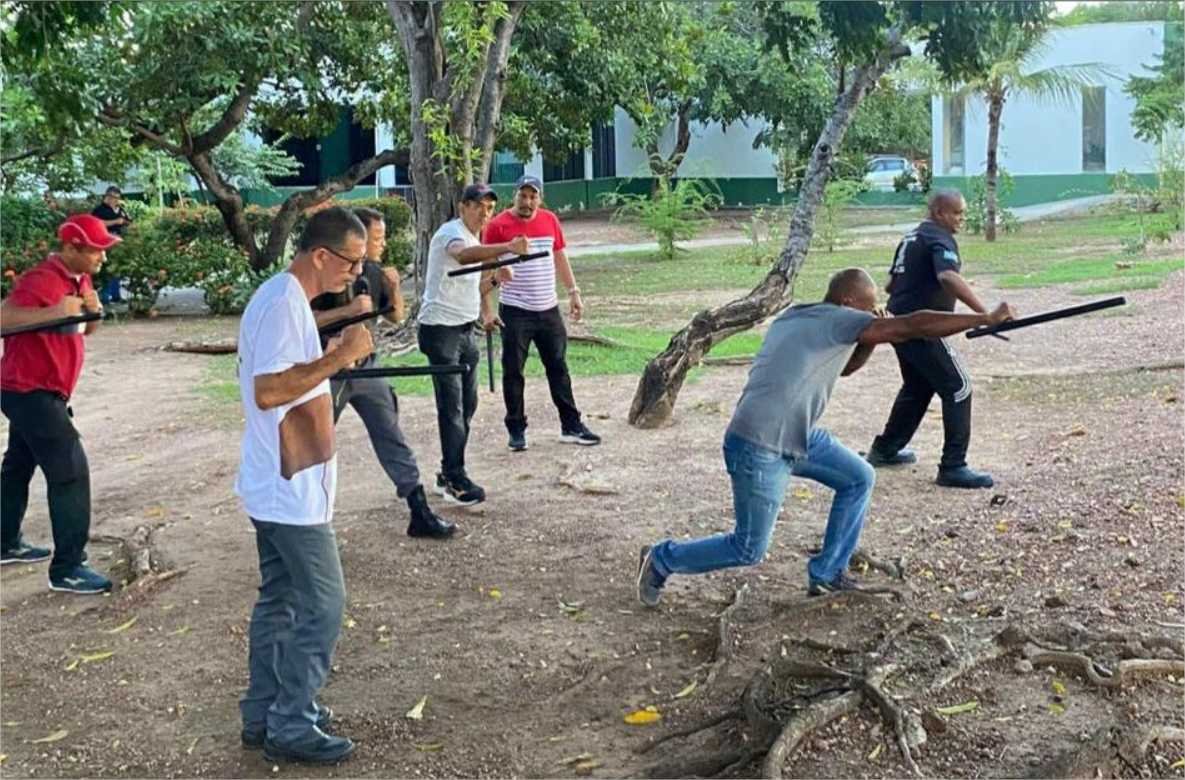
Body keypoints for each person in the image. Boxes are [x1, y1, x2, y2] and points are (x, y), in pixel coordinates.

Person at [635, 268, 1016, 606]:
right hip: (760, 444)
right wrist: (983, 317)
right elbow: (911, 325)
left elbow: (847, 368)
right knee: (748, 547)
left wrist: (869, 335)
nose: (872, 313)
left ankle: (826, 574)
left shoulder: (801, 316)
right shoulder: (836, 319)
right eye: (868, 308)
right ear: (848, 301)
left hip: (797, 434)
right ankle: (661, 558)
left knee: (859, 477)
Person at [235, 206, 375, 764]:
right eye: (351, 262)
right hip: (286, 488)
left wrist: (332, 339)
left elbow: (285, 364)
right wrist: (339, 357)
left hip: (282, 480)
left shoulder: (288, 301)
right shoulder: (279, 303)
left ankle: (264, 711)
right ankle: (291, 720)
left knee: (282, 598)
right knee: (323, 602)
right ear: (321, 255)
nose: (355, 274)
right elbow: (269, 390)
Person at [309, 207, 455, 539]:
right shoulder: (327, 275)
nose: (382, 244)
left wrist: (394, 288)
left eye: (383, 237)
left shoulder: (374, 272)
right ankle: (308, 523)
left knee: (391, 433)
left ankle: (418, 510)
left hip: (367, 367)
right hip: (327, 369)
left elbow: (395, 318)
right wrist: (346, 315)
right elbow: (305, 319)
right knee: (314, 442)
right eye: (377, 237)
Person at [0, 214, 115, 594]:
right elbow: (4, 318)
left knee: (18, 464)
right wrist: (56, 311)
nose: (102, 257)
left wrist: (91, 310)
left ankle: (5, 542)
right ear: (71, 248)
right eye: (96, 250)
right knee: (70, 468)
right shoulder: (40, 280)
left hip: (45, 390)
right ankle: (68, 568)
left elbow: (82, 328)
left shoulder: (79, 278)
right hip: (27, 389)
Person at [866, 190, 1003, 488]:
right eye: (957, 214)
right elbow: (948, 278)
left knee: (918, 385)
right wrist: (986, 313)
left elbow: (892, 283)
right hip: (922, 325)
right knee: (959, 386)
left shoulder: (912, 236)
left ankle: (885, 449)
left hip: (898, 322)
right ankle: (953, 465)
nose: (961, 220)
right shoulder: (939, 238)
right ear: (939, 212)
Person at [417, 183, 528, 507]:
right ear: (463, 206)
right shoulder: (451, 233)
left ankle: (448, 471)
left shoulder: (474, 238)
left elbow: (471, 285)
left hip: (466, 331)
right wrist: (507, 246)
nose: (485, 213)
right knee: (452, 407)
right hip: (440, 331)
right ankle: (455, 476)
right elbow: (463, 257)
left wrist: (495, 281)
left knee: (468, 404)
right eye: (479, 206)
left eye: (490, 208)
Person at [482, 174, 601, 451]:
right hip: (515, 311)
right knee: (513, 372)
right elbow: (486, 268)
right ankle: (516, 430)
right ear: (515, 196)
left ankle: (571, 425)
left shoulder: (550, 220)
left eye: (532, 196)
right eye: (522, 196)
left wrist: (574, 292)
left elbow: (559, 256)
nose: (527, 201)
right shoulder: (498, 226)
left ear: (540, 198)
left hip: (548, 309)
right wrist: (486, 310)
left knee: (558, 367)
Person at [90, 186, 131, 304]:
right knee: (106, 270)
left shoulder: (120, 210)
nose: (115, 200)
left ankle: (116, 295)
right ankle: (104, 297)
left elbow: (127, 220)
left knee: (116, 270)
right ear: (107, 197)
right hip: (104, 242)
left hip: (118, 241)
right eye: (113, 197)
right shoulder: (99, 210)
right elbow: (96, 223)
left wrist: (125, 223)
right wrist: (115, 221)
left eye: (118, 198)